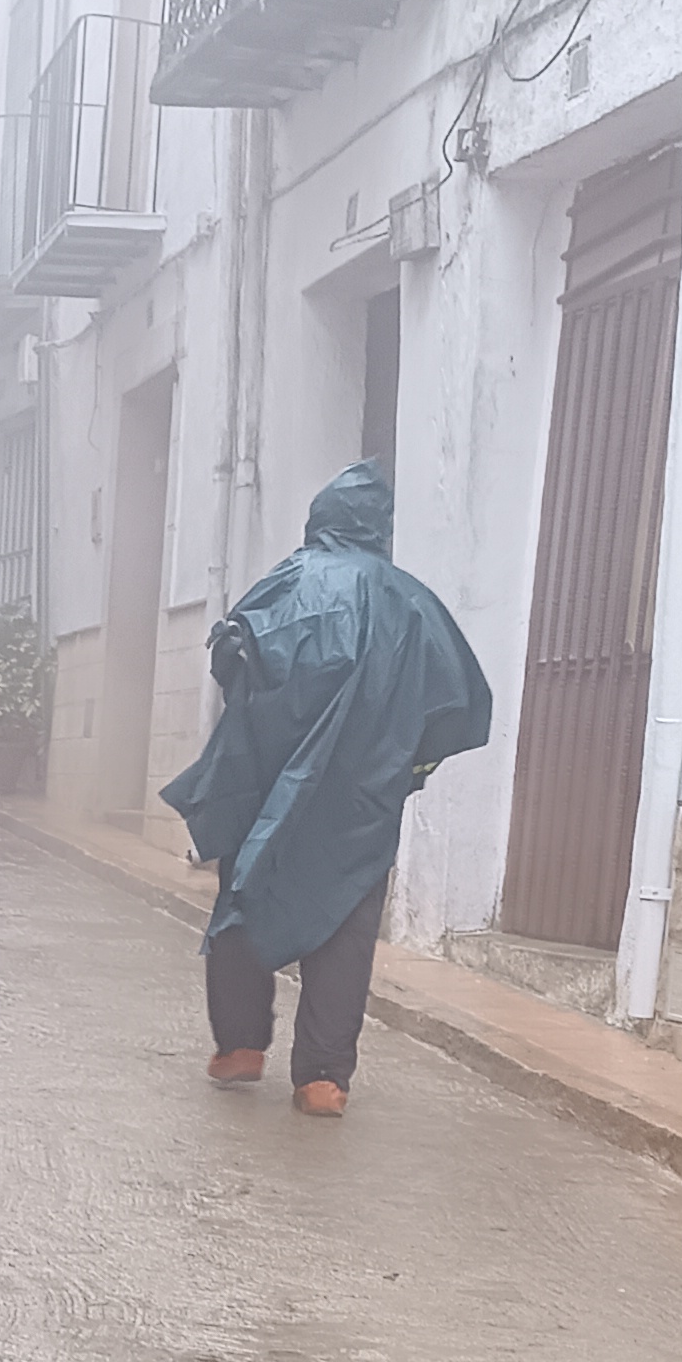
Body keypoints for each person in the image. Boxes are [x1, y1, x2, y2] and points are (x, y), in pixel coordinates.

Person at [160, 459, 491, 1118]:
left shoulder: (289, 581)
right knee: (345, 928)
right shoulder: (412, 602)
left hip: (271, 787)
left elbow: (233, 655)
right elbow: (456, 694)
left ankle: (241, 1046)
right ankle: (322, 1079)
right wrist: (404, 765)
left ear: (321, 519)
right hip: (363, 800)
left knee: (248, 896)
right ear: (379, 529)